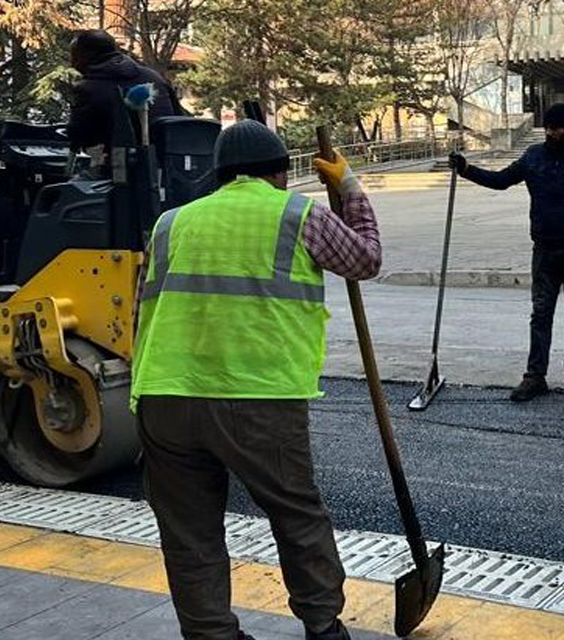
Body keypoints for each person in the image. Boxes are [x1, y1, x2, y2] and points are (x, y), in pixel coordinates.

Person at [129, 120, 381, 640]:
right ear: (279, 174)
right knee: (296, 515)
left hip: (164, 394)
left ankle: (210, 633)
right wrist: (350, 188)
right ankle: (323, 626)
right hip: (258, 395)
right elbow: (365, 259)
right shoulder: (299, 213)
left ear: (219, 175)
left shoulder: (169, 223)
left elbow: (142, 309)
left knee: (188, 531)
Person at [449, 103, 564, 401]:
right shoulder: (534, 156)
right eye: (547, 127)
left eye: (556, 128)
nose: (550, 132)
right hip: (545, 249)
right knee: (541, 313)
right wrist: (466, 170)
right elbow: (501, 181)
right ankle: (535, 376)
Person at [65, 29, 185, 175]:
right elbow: (179, 118)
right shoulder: (153, 77)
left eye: (74, 56)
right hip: (169, 169)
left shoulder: (87, 88)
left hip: (120, 172)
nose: (72, 63)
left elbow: (78, 135)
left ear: (86, 55)